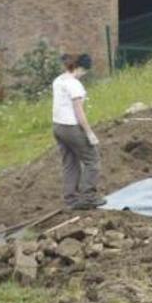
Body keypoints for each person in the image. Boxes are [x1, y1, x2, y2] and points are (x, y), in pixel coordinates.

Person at [52, 53, 105, 210]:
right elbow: (78, 111)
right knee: (92, 160)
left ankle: (71, 199)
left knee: (70, 163)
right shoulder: (75, 85)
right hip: (71, 127)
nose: (84, 74)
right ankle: (89, 197)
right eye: (84, 71)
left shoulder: (59, 80)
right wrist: (89, 133)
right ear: (79, 68)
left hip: (58, 127)